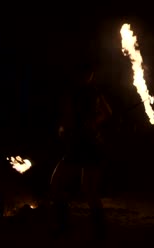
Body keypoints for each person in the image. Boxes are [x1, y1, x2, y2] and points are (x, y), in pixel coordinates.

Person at [50, 60, 112, 239]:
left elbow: (106, 113)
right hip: (88, 143)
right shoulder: (92, 92)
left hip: (81, 144)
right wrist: (92, 123)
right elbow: (107, 113)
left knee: (57, 183)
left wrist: (71, 128)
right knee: (89, 189)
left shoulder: (82, 92)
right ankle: (98, 231)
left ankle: (65, 227)